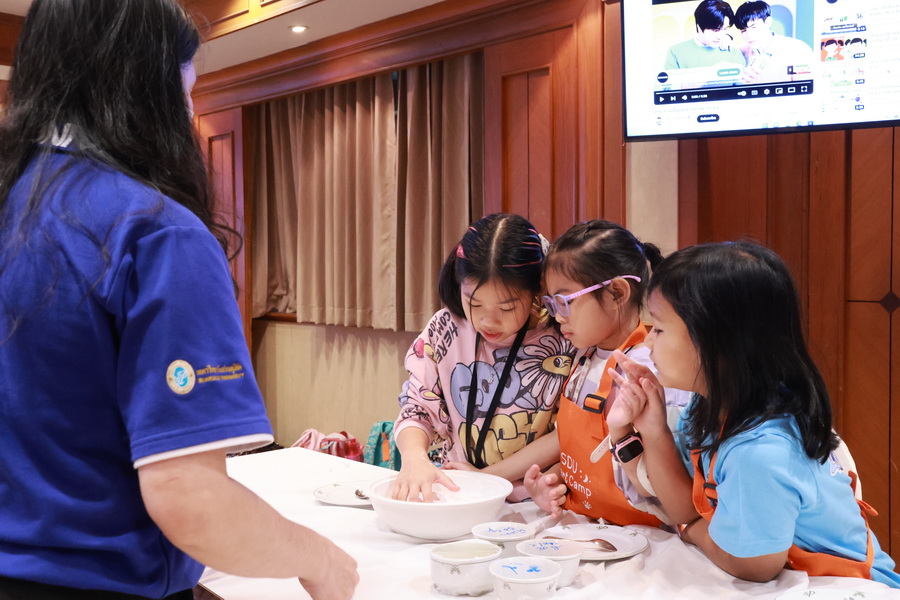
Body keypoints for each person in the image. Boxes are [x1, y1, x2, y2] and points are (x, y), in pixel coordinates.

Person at [0, 1, 358, 599]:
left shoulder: (17, 204)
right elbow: (190, 497)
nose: (190, 113)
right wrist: (318, 558)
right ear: (148, 88)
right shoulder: (154, 232)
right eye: (187, 90)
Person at [609, 241, 900, 587]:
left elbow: (753, 566)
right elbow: (685, 506)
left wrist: (692, 530)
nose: (647, 342)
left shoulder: (761, 451)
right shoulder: (711, 405)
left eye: (658, 329)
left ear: (717, 341)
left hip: (852, 587)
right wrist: (651, 428)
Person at [392, 213, 576, 502]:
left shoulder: (565, 339)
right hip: (457, 491)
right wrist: (415, 458)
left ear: (537, 289)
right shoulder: (446, 328)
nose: (487, 321)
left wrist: (488, 478)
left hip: (530, 499)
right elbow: (417, 407)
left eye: (506, 308)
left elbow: (567, 434)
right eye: (473, 303)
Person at [522, 221, 691, 525]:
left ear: (617, 292)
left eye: (565, 302)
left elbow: (669, 486)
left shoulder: (649, 373)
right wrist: (553, 482)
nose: (557, 317)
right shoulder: (584, 356)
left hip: (643, 537)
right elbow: (586, 453)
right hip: (586, 524)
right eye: (550, 304)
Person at [735, 1, 814, 83]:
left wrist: (760, 86)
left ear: (768, 22)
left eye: (754, 27)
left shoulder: (798, 50)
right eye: (743, 30)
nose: (749, 35)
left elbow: (806, 87)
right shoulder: (740, 53)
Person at [664, 0, 747, 71]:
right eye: (715, 30)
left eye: (725, 29)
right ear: (699, 26)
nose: (720, 36)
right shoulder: (675, 52)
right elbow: (669, 84)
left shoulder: (734, 53)